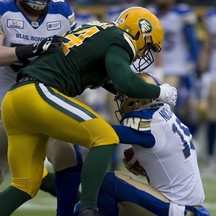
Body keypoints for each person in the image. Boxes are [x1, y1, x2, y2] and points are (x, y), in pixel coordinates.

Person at [0, 7, 178, 216]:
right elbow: (125, 81)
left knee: (23, 186)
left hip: (14, 99)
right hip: (37, 93)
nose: (142, 53)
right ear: (139, 31)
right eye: (146, 47)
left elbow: (113, 82)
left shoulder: (98, 32)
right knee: (105, 137)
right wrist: (160, 91)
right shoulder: (119, 38)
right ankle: (88, 208)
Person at [0, 0, 81, 215]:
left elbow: (78, 55)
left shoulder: (63, 12)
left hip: (48, 103)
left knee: (67, 156)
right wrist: (33, 49)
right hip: (6, 107)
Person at [91, 72, 209, 216]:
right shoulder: (162, 112)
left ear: (136, 101)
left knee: (110, 182)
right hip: (188, 207)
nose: (121, 102)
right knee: (87, 208)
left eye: (124, 98)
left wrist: (74, 122)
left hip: (182, 210)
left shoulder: (148, 126)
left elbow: (103, 133)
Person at [149, 0, 199, 134]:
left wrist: (194, 65)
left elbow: (193, 43)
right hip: (152, 68)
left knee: (168, 108)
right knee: (151, 108)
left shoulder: (182, 13)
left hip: (176, 68)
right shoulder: (149, 13)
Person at [197, 6, 216, 176]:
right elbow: (207, 47)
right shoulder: (211, 16)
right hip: (214, 74)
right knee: (212, 119)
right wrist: (203, 74)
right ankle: (210, 159)